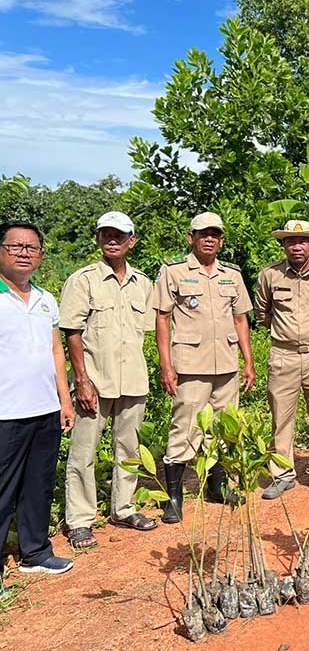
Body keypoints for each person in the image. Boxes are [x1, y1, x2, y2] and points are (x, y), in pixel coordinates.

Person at [60, 212, 157, 550]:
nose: (112, 240)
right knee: (83, 452)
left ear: (132, 240)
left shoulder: (143, 283)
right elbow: (72, 332)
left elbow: (144, 333)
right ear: (98, 239)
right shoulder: (83, 280)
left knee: (128, 449)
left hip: (133, 380)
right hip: (95, 381)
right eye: (106, 234)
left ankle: (123, 508)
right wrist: (82, 380)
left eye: (120, 235)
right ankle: (80, 520)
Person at [153, 212, 255, 524]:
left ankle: (217, 487)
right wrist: (166, 364)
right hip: (190, 365)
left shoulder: (232, 274)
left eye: (214, 234)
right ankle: (174, 498)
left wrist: (248, 362)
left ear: (221, 241)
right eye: (203, 234)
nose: (209, 239)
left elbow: (240, 319)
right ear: (191, 238)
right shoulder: (173, 271)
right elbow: (162, 318)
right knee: (185, 428)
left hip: (226, 364)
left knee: (223, 428)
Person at [0, 220, 75, 586]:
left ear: (42, 255)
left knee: (38, 485)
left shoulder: (46, 299)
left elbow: (56, 351)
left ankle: (35, 553)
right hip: (5, 412)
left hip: (44, 409)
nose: (24, 253)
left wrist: (65, 400)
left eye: (31, 248)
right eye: (15, 246)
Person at [254, 220, 309, 498]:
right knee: (281, 416)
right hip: (283, 355)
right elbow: (262, 313)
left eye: (303, 241)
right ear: (283, 245)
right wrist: (287, 336)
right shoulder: (270, 275)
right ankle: (283, 474)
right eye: (291, 241)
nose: (297, 246)